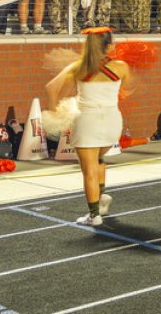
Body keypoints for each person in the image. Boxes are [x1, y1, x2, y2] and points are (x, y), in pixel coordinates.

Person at [47, 27, 131, 227]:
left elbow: (51, 87)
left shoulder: (78, 67)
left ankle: (94, 216)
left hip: (87, 120)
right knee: (99, 158)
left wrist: (55, 110)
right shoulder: (121, 66)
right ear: (109, 46)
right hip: (112, 120)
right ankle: (101, 199)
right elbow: (126, 88)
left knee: (89, 170)